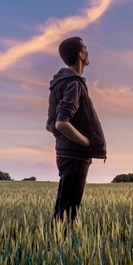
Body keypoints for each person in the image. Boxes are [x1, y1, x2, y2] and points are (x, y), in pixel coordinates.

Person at [46, 36, 107, 223]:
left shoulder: (58, 83)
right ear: (81, 55)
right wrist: (86, 143)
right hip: (75, 155)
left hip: (64, 153)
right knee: (68, 212)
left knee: (63, 208)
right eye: (86, 49)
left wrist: (65, 142)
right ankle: (58, 249)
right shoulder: (74, 83)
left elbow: (49, 125)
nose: (88, 52)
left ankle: (54, 245)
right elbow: (60, 123)